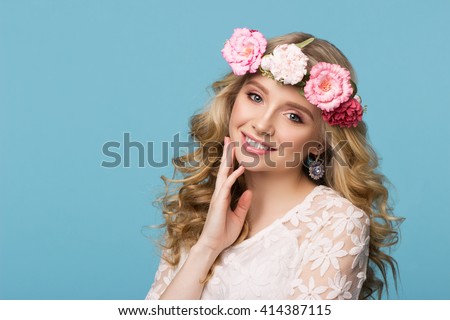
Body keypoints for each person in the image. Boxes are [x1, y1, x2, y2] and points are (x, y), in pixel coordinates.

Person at [145, 28, 402, 300]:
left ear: (319, 143)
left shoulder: (337, 223)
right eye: (255, 97)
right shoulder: (200, 206)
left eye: (293, 116)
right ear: (234, 99)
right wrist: (207, 246)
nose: (262, 124)